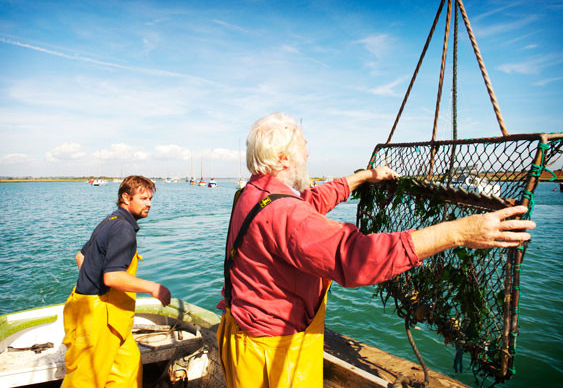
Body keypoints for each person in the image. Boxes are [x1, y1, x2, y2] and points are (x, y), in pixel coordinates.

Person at [216, 112, 535, 387]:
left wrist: (366, 176)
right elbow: (357, 259)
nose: (308, 155)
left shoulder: (256, 193)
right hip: (273, 356)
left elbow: (311, 202)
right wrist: (459, 231)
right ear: (284, 158)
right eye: (304, 147)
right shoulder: (285, 213)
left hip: (242, 336)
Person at [62, 175, 172, 388]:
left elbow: (81, 257)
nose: (149, 203)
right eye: (143, 198)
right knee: (85, 381)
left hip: (111, 321)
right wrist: (154, 288)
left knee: (128, 370)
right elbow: (112, 277)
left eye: (150, 198)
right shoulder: (123, 229)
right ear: (126, 198)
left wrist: (90, 280)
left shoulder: (110, 221)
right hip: (96, 319)